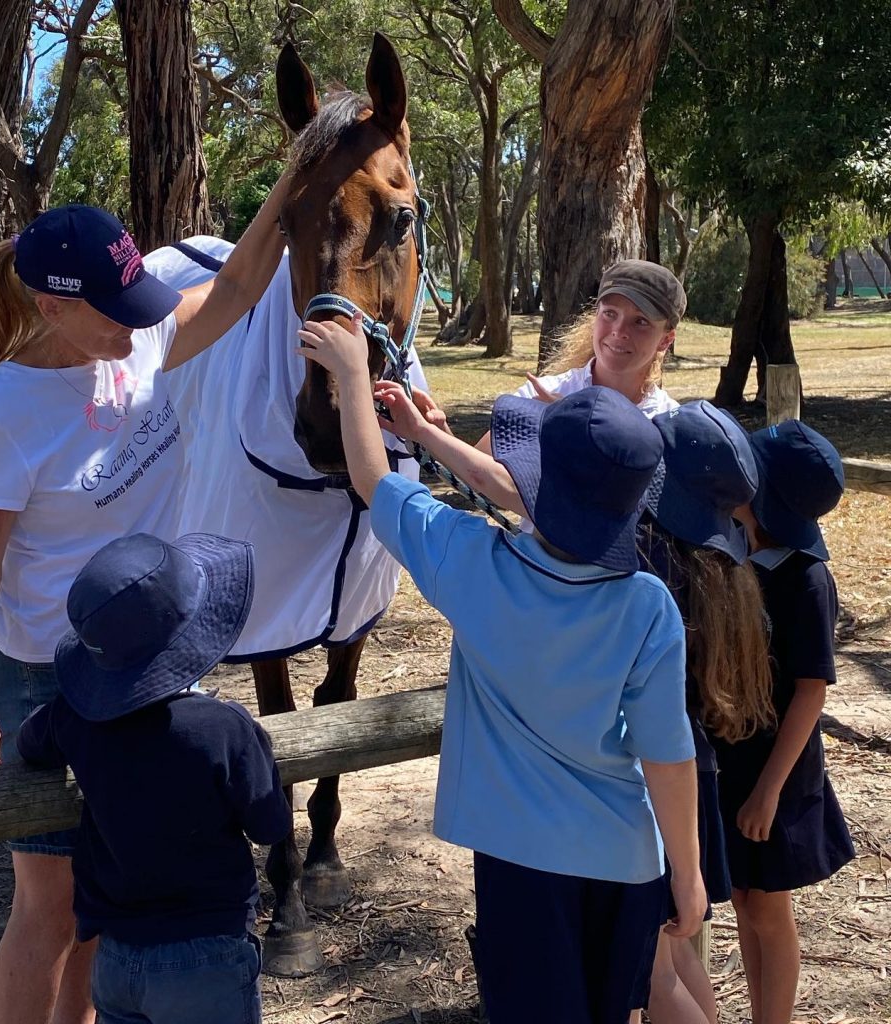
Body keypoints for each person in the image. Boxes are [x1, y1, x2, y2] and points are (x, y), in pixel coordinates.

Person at [0, 187, 288, 1024]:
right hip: (43, 669)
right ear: (50, 305)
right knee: (50, 906)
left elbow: (233, 291)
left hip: (145, 652)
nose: (135, 322)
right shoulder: (0, 419)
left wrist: (294, 182)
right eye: (113, 309)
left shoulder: (136, 335)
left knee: (106, 898)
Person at [297, 313, 706, 1024]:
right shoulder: (647, 605)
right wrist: (690, 877)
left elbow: (369, 477)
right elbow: (669, 759)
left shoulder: (473, 561)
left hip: (520, 864)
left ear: (534, 483)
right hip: (627, 859)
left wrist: (354, 374)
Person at [17, 531, 290, 1024]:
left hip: (117, 955)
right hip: (207, 952)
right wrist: (256, 744)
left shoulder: (75, 720)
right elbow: (270, 824)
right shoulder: (223, 728)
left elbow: (31, 743)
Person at [633, 402, 774, 1024]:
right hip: (696, 780)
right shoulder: (725, 567)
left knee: (653, 977)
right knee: (678, 954)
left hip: (654, 788)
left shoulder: (649, 565)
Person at [711, 419, 855, 1024]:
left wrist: (770, 792)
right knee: (745, 898)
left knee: (768, 905)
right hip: (732, 757)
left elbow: (811, 691)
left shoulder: (805, 580)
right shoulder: (735, 551)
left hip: (779, 769)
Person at [400, 260, 686, 514]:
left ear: (665, 340)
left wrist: (571, 429)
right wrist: (437, 434)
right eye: (610, 313)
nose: (619, 331)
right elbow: (480, 474)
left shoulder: (672, 427)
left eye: (640, 322)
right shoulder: (537, 398)